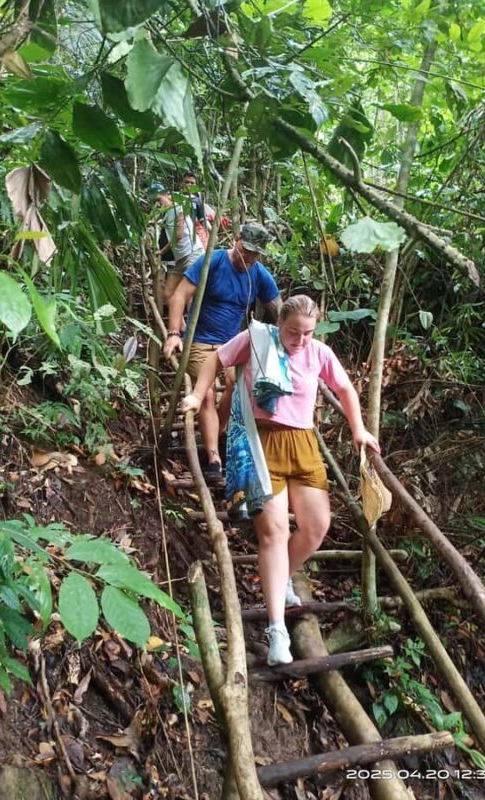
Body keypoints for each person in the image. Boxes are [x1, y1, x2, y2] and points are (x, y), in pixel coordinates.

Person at [181, 294, 380, 666]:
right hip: (262, 441)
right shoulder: (256, 340)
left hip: (303, 444)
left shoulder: (318, 353)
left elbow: (345, 389)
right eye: (293, 332)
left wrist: (359, 430)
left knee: (317, 527)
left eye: (307, 333)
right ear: (279, 324)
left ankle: (282, 574)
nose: (300, 340)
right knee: (273, 532)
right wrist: (196, 395)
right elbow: (215, 358)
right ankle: (277, 629)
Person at [163, 222, 281, 482]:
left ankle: (218, 432)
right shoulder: (213, 262)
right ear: (236, 240)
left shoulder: (258, 274)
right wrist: (173, 333)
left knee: (236, 386)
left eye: (254, 255)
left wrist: (287, 344)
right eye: (245, 251)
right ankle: (214, 457)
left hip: (231, 345)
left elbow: (278, 310)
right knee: (204, 395)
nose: (248, 259)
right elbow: (179, 295)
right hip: (200, 341)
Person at [149, 182, 205, 307]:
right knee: (168, 294)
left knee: (189, 296)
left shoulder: (178, 208)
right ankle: (183, 327)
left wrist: (162, 251)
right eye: (156, 201)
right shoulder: (165, 213)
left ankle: (192, 326)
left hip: (192, 254)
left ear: (167, 196)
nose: (158, 203)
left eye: (159, 199)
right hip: (180, 258)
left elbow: (178, 235)